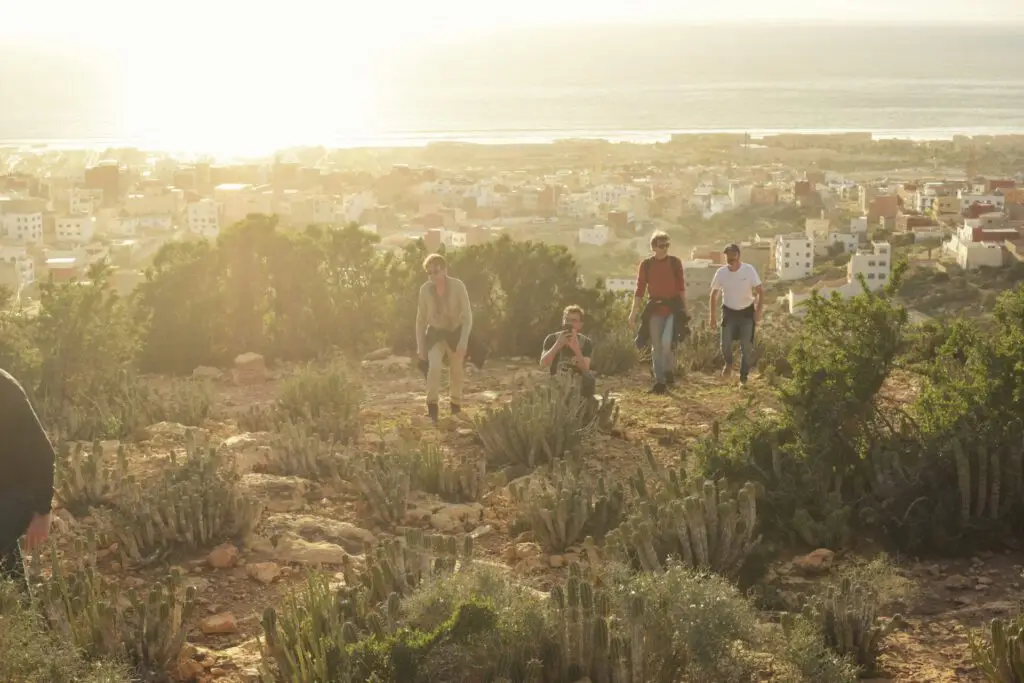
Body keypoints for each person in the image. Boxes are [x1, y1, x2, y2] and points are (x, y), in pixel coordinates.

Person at [0, 368, 55, 590]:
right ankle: (23, 616)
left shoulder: (4, 388)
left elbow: (44, 452)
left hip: (22, 490)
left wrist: (43, 512)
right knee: (9, 569)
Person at [416, 253, 473, 423]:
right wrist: (421, 346)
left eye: (436, 271)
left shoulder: (458, 286)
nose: (433, 275)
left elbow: (468, 317)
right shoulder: (424, 290)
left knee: (456, 371)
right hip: (435, 334)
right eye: (429, 272)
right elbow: (420, 320)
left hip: (454, 333)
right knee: (433, 368)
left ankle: (455, 407)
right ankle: (432, 408)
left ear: (444, 270)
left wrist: (463, 342)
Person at [629, 230, 687, 394]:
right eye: (662, 245)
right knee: (656, 346)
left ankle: (669, 373)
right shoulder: (646, 265)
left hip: (672, 308)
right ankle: (660, 381)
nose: (665, 248)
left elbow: (681, 287)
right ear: (653, 247)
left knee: (667, 343)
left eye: (667, 245)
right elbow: (640, 290)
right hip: (654, 309)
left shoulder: (675, 263)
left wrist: (685, 309)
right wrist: (633, 312)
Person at [709, 243, 764, 387]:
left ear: (738, 256)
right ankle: (729, 364)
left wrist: (758, 311)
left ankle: (743, 378)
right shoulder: (721, 272)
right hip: (729, 312)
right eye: (728, 257)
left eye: (732, 257)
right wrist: (712, 316)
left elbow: (760, 291)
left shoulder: (748, 270)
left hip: (747, 312)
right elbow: (714, 294)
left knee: (746, 346)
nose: (730, 260)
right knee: (725, 343)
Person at [540, 304, 596, 397]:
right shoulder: (552, 338)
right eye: (567, 320)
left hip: (577, 384)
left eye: (574, 321)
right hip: (557, 382)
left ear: (580, 325)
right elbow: (543, 363)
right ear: (562, 321)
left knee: (590, 379)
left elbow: (586, 369)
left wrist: (576, 349)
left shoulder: (586, 342)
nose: (570, 323)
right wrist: (557, 345)